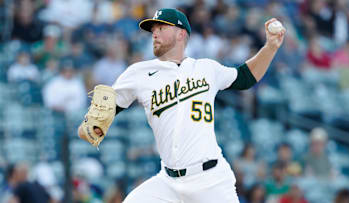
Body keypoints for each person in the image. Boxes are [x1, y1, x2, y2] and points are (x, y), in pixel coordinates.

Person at [78, 8, 285, 202]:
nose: (154, 33)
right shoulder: (138, 73)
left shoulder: (206, 68)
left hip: (211, 180)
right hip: (168, 182)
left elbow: (245, 77)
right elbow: (106, 111)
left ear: (181, 34)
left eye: (161, 27)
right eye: (153, 29)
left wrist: (270, 47)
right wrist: (93, 123)